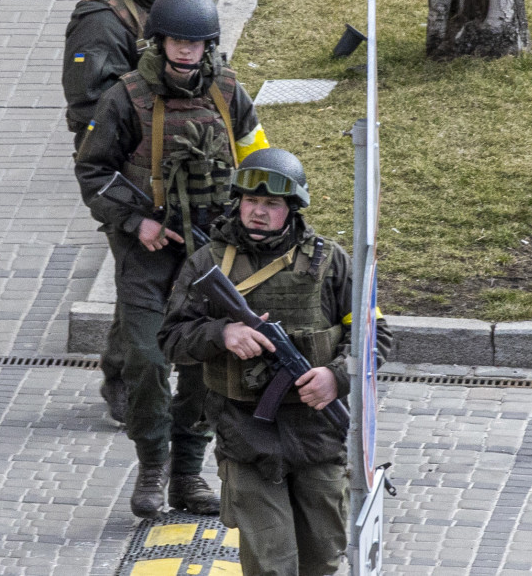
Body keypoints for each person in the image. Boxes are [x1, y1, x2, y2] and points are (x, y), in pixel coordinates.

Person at [74, 0, 268, 518]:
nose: (185, 49)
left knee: (206, 362)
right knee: (145, 358)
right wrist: (137, 222)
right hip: (150, 254)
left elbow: (255, 154)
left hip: (210, 257)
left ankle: (187, 473)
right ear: (159, 40)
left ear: (208, 45)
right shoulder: (128, 96)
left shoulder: (228, 92)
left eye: (195, 41)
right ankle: (152, 467)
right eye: (176, 40)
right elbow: (94, 171)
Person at [158, 149, 393, 575]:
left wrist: (335, 378)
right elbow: (171, 339)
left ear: (292, 208)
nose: (258, 212)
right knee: (271, 564)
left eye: (271, 204)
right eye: (251, 201)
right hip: (246, 432)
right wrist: (222, 334)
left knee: (322, 557)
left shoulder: (330, 263)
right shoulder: (207, 264)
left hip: (317, 434)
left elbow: (375, 336)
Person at [63, 0, 207, 424]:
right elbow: (94, 109)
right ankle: (126, 380)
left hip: (169, 170)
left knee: (148, 278)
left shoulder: (159, 4)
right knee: (141, 276)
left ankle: (125, 370)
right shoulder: (104, 19)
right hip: (122, 175)